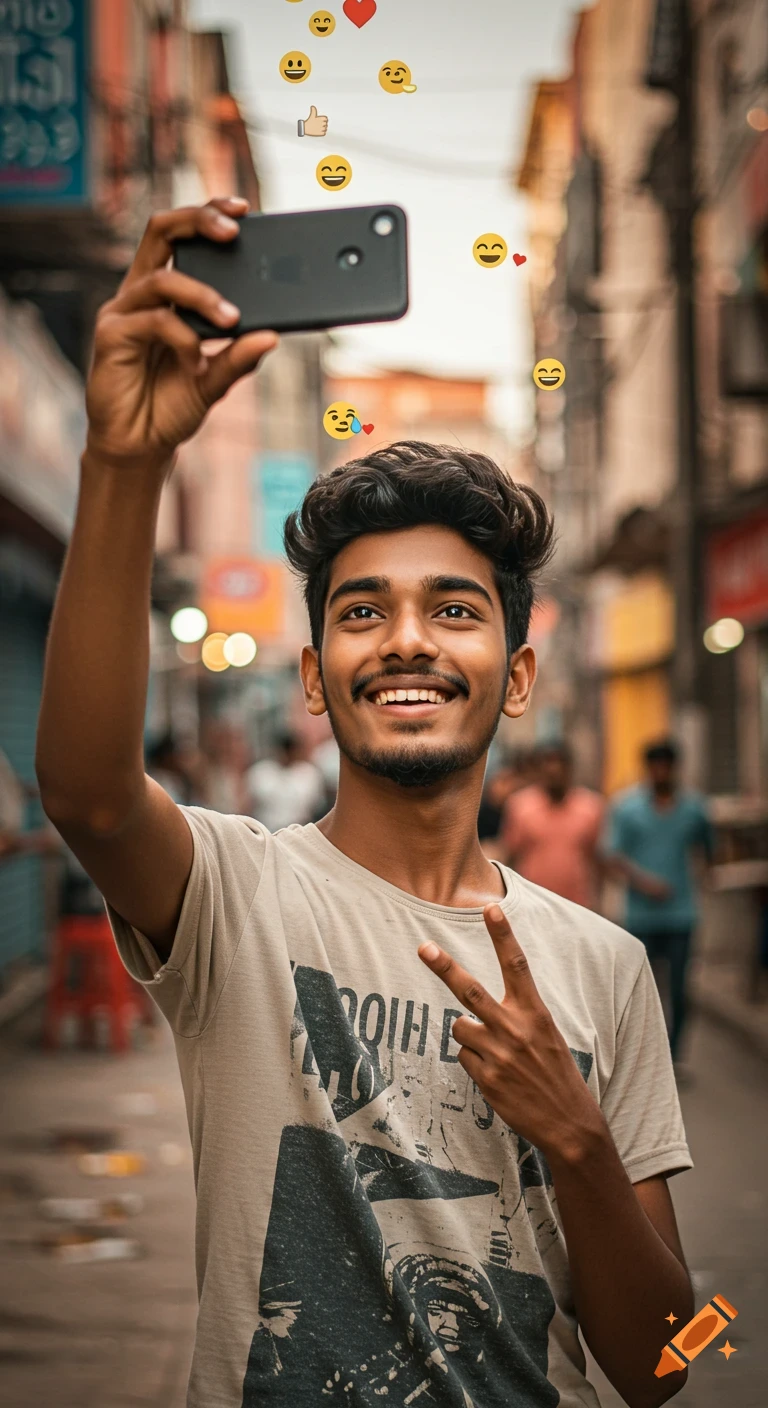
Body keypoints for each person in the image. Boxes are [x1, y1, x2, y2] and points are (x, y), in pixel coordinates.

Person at [35, 198, 694, 1408]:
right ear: (314, 673)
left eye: (454, 608)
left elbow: (677, 1361)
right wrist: (123, 459)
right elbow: (84, 789)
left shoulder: (602, 966)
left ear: (519, 673)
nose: (405, 640)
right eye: (359, 610)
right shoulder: (238, 893)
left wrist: (579, 1140)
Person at [606, 739, 714, 1067]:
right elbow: (613, 856)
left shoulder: (694, 809)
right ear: (648, 769)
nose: (661, 772)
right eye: (655, 766)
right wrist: (644, 882)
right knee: (644, 992)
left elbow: (707, 849)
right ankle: (646, 1057)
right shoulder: (627, 808)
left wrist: (702, 876)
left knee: (680, 989)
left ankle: (674, 1053)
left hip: (681, 914)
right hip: (642, 916)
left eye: (666, 766)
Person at [501, 740, 606, 910]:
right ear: (539, 769)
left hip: (577, 906)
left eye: (559, 763)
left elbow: (598, 860)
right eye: (548, 763)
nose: (554, 770)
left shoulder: (591, 807)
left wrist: (599, 903)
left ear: (570, 768)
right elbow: (510, 855)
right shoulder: (520, 806)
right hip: (532, 905)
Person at [246, 729, 325, 831]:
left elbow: (315, 807)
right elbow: (248, 807)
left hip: (300, 830)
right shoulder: (260, 772)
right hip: (265, 830)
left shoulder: (309, 774)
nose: (286, 755)